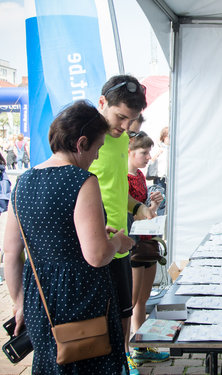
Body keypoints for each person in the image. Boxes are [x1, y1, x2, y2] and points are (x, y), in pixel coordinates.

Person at [3, 100, 135, 374]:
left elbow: (11, 253)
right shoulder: (82, 181)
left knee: (51, 365)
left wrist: (19, 303)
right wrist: (118, 243)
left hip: (40, 302)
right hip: (81, 300)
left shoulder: (23, 183)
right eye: (97, 148)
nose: (96, 157)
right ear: (81, 143)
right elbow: (97, 256)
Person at [88, 75, 163, 375]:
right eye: (120, 117)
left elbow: (117, 188)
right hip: (95, 245)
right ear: (101, 102)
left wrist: (138, 206)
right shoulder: (87, 139)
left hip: (121, 244)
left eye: (131, 121)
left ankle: (124, 360)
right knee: (96, 323)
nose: (125, 127)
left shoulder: (121, 139)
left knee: (124, 311)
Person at [126, 131, 169, 365]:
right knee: (129, 303)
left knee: (142, 299)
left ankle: (140, 346)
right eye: (144, 152)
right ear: (129, 152)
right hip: (132, 245)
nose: (148, 157)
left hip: (147, 242)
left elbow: (147, 213)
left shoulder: (141, 177)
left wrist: (153, 204)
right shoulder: (121, 178)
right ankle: (125, 353)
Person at [150, 126, 169, 191]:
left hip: (170, 177)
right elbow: (151, 160)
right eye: (168, 136)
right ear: (164, 137)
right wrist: (157, 154)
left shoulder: (172, 150)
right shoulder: (158, 148)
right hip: (160, 178)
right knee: (160, 196)